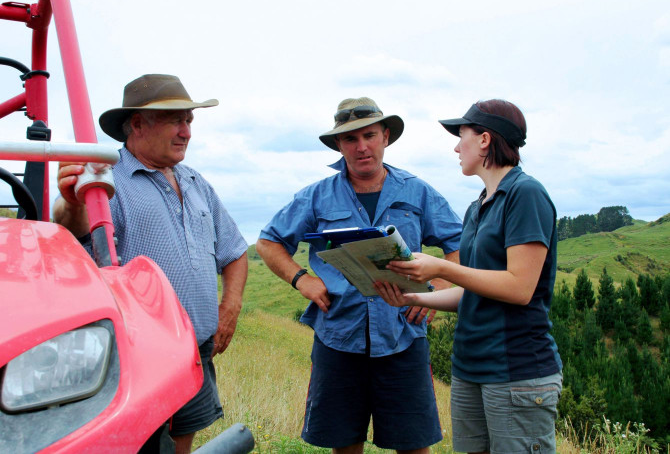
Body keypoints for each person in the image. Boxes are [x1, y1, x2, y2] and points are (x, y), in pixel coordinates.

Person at [53, 74, 248, 453]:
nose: (186, 132)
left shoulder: (195, 182)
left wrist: (231, 307)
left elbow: (235, 251)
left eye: (189, 120)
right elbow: (73, 229)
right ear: (138, 124)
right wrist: (73, 202)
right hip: (138, 360)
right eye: (175, 120)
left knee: (181, 441)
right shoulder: (104, 178)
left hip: (196, 350)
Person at [255, 97, 462, 454]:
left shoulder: (418, 192)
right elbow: (269, 242)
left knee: (413, 443)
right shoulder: (317, 196)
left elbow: (459, 245)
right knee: (343, 442)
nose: (361, 146)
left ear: (385, 136)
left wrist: (437, 288)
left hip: (403, 335)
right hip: (338, 334)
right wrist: (302, 279)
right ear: (339, 144)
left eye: (369, 135)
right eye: (351, 139)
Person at [374, 99, 563, 454]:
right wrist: (412, 297)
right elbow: (476, 292)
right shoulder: (477, 207)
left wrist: (442, 268)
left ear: (485, 140)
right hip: (469, 370)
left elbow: (520, 288)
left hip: (517, 372)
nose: (456, 147)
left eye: (462, 136)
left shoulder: (525, 194)